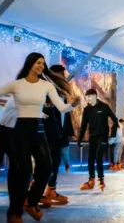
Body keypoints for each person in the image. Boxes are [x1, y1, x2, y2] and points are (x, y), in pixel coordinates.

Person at [0, 52, 80, 222]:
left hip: (22, 133)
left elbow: (49, 116)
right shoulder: (22, 89)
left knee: (19, 172)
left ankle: (20, 207)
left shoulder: (44, 92)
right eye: (38, 64)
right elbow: (19, 110)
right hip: (5, 131)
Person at [40, 64, 71, 205]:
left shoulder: (63, 94)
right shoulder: (46, 93)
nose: (61, 79)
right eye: (58, 76)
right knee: (44, 165)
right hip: (47, 136)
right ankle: (36, 193)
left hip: (59, 135)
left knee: (56, 163)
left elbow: (65, 116)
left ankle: (50, 190)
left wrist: (65, 135)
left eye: (62, 76)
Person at [78, 89, 118, 191]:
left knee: (98, 155)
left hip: (103, 136)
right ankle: (91, 180)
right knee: (90, 158)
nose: (88, 99)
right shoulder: (87, 109)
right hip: (93, 137)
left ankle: (101, 179)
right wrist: (80, 139)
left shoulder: (104, 107)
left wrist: (112, 135)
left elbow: (114, 119)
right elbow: (83, 125)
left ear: (95, 96)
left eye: (90, 96)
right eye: (86, 97)